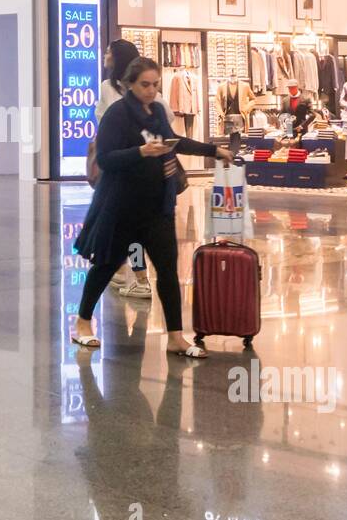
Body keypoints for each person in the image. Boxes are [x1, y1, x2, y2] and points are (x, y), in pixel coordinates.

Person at [72, 57, 231, 357]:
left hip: (157, 205)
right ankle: (82, 323)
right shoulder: (117, 115)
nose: (151, 90)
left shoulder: (157, 110)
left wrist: (213, 150)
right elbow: (105, 159)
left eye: (155, 84)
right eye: (145, 84)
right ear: (129, 84)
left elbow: (174, 141)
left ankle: (175, 336)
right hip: (122, 206)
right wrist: (141, 152)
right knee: (105, 266)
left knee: (168, 271)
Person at [94, 38, 174, 300]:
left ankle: (138, 277)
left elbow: (101, 119)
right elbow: (167, 117)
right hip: (143, 167)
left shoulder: (109, 87)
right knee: (128, 229)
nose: (105, 55)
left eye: (109, 52)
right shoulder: (143, 91)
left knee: (128, 228)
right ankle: (130, 273)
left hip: (124, 168)